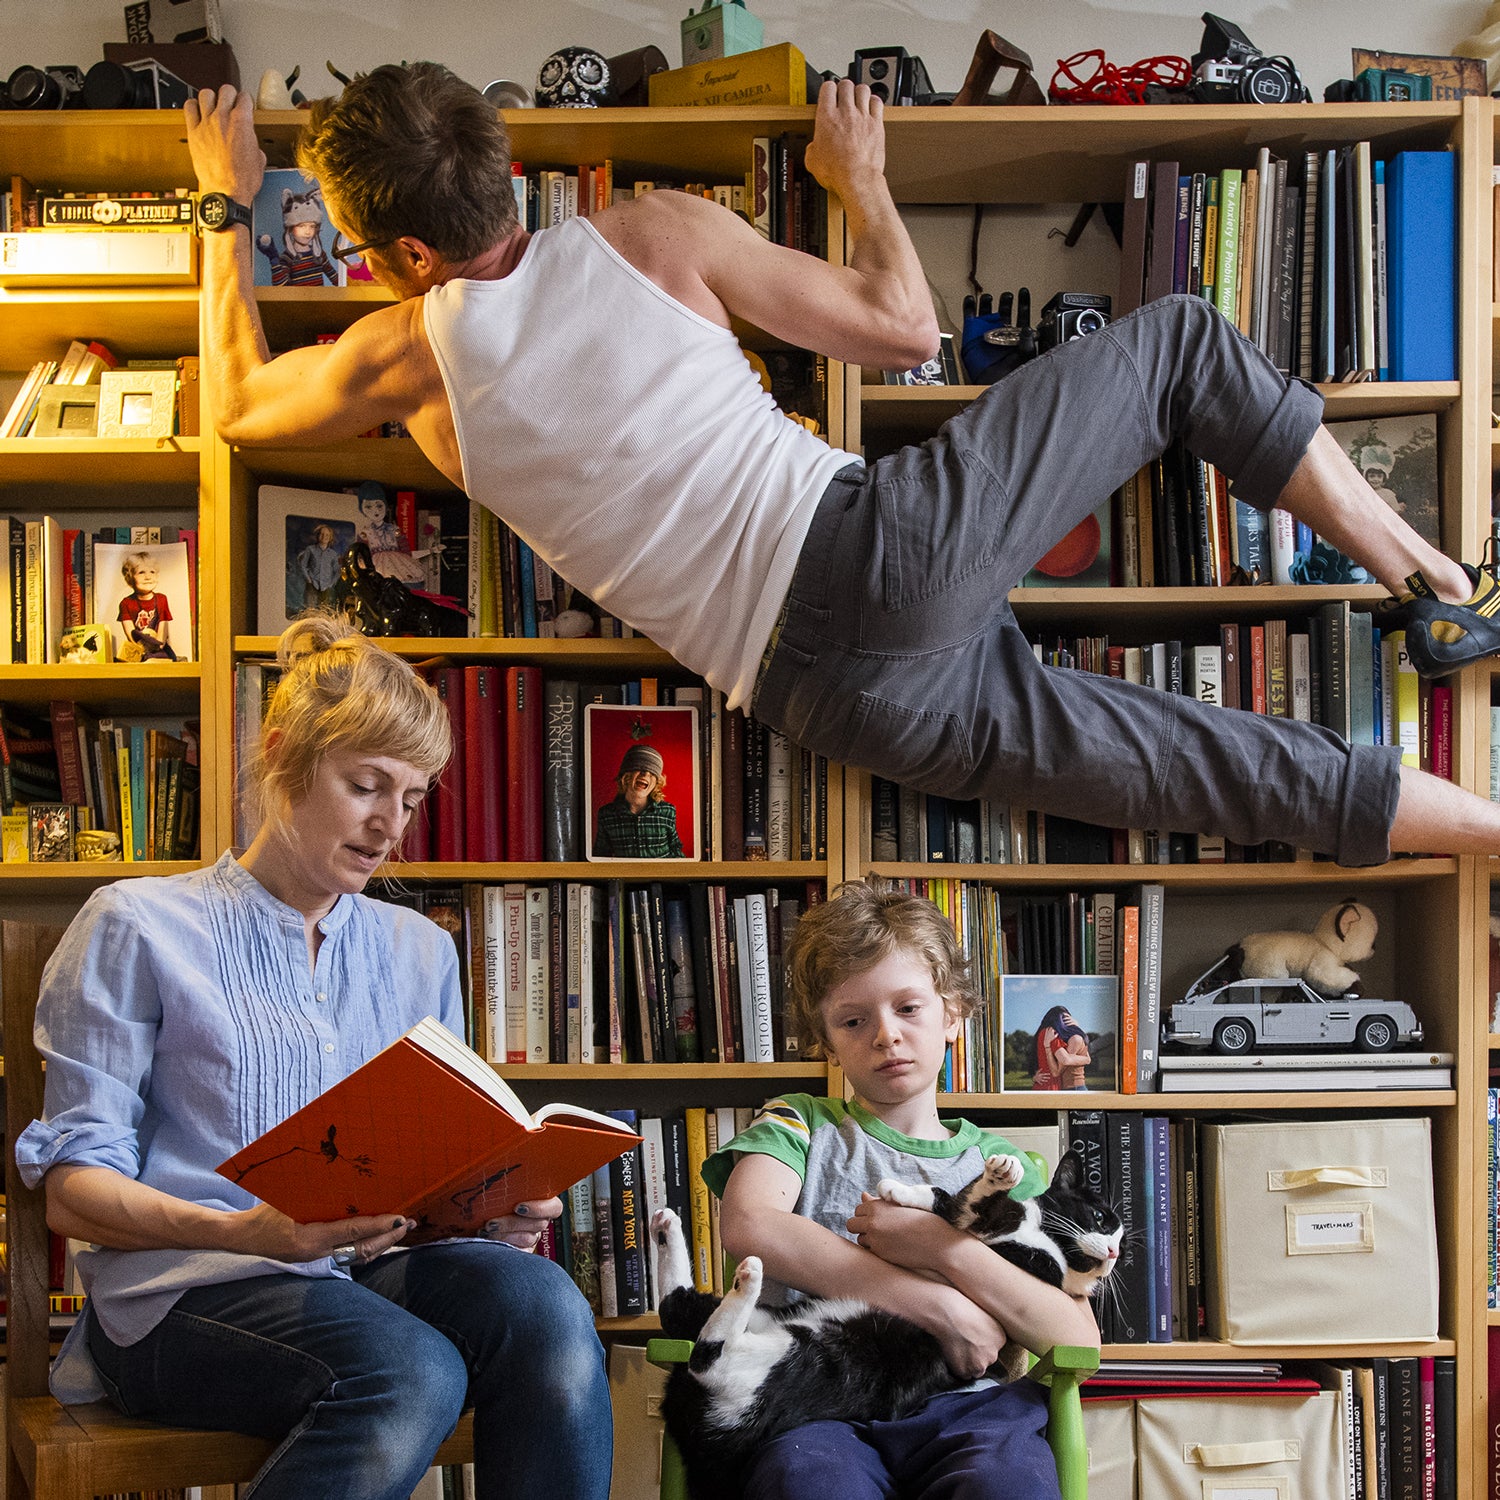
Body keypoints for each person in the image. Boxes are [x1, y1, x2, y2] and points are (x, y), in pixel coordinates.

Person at [182, 66, 1500, 867]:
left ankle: (1489, 836)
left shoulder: (401, 359)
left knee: (1199, 768)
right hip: (875, 551)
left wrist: (224, 202)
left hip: (827, 702)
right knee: (1180, 349)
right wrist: (859, 175)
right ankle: (1435, 587)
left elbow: (237, 403)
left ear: (403, 253)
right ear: (505, 167)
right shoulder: (649, 235)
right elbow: (905, 329)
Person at [15, 615, 612, 1500]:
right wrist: (245, 1231)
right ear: (283, 755)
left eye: (411, 798)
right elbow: (72, 1191)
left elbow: (425, 1176)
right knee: (410, 1371)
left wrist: (491, 1204)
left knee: (547, 1307)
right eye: (366, 785)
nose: (389, 825)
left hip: (363, 1275)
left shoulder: (420, 951)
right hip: (184, 1294)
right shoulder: (138, 924)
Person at [700, 880, 1099, 1500]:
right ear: (827, 1041)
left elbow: (1075, 1339)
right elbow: (750, 1223)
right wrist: (938, 1307)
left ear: (953, 1016)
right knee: (810, 1482)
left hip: (971, 1408)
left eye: (908, 1008)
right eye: (853, 1020)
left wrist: (938, 1246)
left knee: (1006, 1483)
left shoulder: (1003, 1166)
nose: (885, 1034)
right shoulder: (798, 1122)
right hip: (819, 1399)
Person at [593, 741, 685, 858]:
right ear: (626, 776)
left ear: (657, 782)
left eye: (652, 773)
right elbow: (601, 855)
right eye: (640, 769)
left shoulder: (667, 811)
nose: (645, 774)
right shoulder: (606, 814)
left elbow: (676, 848)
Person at [117, 550, 176, 661]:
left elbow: (162, 632)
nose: (148, 577)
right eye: (141, 572)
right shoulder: (126, 603)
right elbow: (130, 633)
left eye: (152, 572)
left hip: (158, 647)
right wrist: (140, 650)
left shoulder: (161, 599)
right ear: (130, 577)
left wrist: (157, 648)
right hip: (138, 648)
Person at [1032, 1006, 1090, 1092]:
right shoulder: (1051, 1034)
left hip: (1067, 1087)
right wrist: (1087, 1059)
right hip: (1052, 1086)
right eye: (1065, 1020)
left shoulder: (1072, 1038)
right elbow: (1062, 1065)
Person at [295, 521, 342, 609]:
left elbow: (337, 570)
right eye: (322, 534)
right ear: (318, 535)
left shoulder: (333, 554)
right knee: (310, 609)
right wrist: (308, 579)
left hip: (325, 587)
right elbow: (303, 565)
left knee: (324, 610)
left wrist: (331, 583)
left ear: (330, 537)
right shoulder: (310, 549)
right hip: (312, 584)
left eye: (327, 535)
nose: (324, 536)